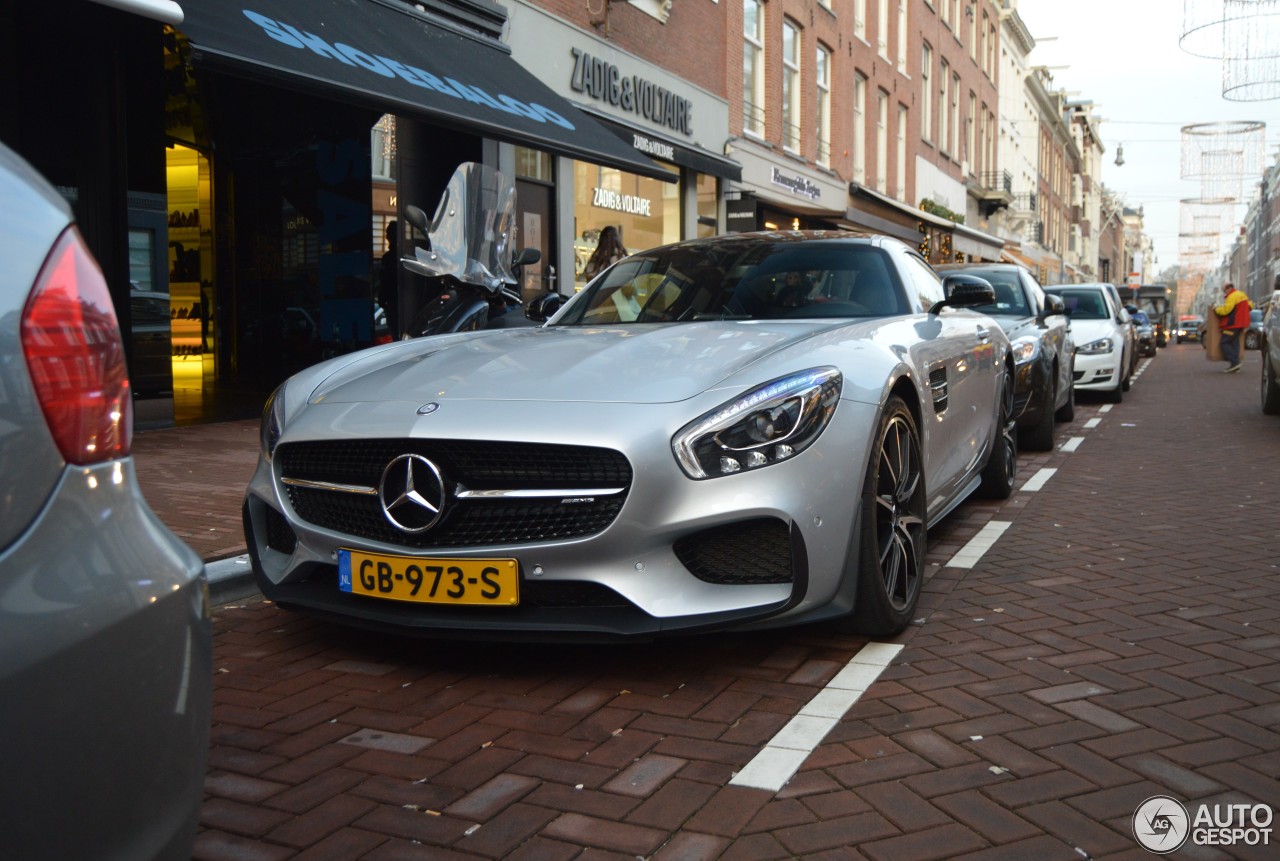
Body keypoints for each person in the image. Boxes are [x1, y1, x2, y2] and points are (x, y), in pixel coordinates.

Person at [1214, 281, 1252, 373]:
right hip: (1241, 324)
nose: (1225, 293)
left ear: (1228, 288)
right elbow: (1250, 305)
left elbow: (1226, 310)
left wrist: (1216, 308)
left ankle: (1235, 362)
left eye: (1224, 291)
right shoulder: (1242, 295)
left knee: (1224, 343)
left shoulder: (1232, 296)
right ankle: (1235, 365)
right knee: (1234, 343)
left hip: (1233, 324)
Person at [378, 219, 399, 337]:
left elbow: (385, 280)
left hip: (392, 300)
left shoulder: (389, 257)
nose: (386, 236)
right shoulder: (391, 256)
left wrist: (382, 298)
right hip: (393, 299)